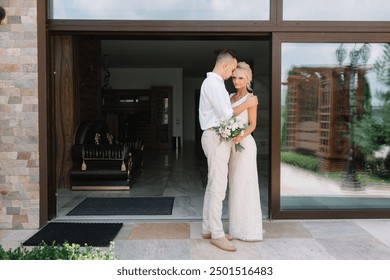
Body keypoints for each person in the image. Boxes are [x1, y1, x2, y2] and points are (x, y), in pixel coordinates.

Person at [199, 50, 258, 252]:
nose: (232, 74)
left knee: (213, 183)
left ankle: (208, 228)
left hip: (216, 136)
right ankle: (217, 234)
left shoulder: (215, 84)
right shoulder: (214, 84)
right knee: (218, 187)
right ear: (225, 65)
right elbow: (226, 115)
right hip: (215, 137)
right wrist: (248, 103)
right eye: (232, 69)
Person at [228, 62, 263, 241]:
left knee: (245, 184)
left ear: (247, 79)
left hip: (245, 144)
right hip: (231, 146)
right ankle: (235, 228)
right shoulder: (229, 96)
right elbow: (224, 117)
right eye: (234, 77)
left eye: (241, 78)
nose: (237, 81)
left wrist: (240, 136)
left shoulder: (252, 98)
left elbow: (253, 124)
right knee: (234, 184)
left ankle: (249, 229)